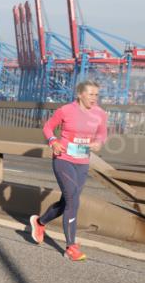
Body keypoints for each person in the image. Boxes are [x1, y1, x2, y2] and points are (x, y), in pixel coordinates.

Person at [29, 80, 108, 262]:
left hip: (82, 162)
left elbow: (102, 133)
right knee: (73, 200)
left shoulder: (100, 114)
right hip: (63, 160)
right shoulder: (66, 110)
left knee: (67, 202)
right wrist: (53, 142)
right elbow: (48, 127)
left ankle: (39, 222)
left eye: (96, 95)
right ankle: (71, 247)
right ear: (80, 94)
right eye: (90, 94)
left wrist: (98, 142)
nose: (94, 98)